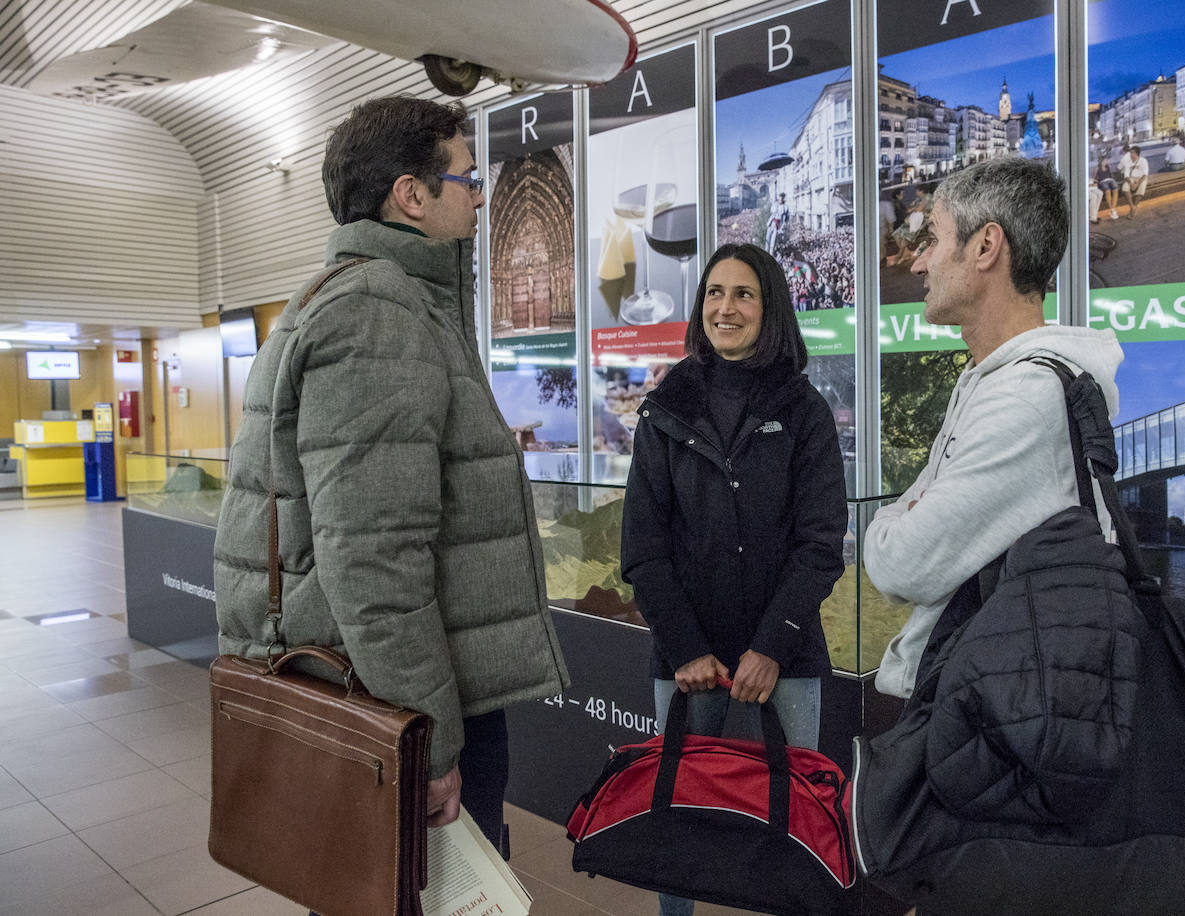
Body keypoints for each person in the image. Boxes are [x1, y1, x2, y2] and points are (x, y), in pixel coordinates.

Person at [213, 96, 569, 854]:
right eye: (469, 179)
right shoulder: (380, 315)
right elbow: (373, 557)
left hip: (386, 686)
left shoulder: (361, 301)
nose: (482, 196)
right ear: (412, 194)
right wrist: (430, 743)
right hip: (401, 705)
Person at [621, 242, 847, 916]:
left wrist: (771, 646)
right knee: (679, 823)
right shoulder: (665, 411)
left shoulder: (805, 412)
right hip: (688, 659)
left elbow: (819, 545)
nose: (726, 307)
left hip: (787, 657)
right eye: (715, 293)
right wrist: (686, 646)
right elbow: (643, 549)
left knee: (790, 824)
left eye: (743, 294)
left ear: (769, 307)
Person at [865, 157, 1123, 699]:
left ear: (986, 247)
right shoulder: (997, 381)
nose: (918, 264)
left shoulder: (1023, 400)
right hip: (986, 696)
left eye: (932, 240)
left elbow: (902, 566)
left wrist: (891, 522)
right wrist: (910, 513)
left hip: (990, 718)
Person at [1121, 145, 1149, 217]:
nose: (1130, 154)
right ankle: (1133, 207)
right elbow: (1126, 175)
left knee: (1141, 189)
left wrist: (1137, 184)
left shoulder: (1143, 161)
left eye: (1132, 153)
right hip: (1131, 179)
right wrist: (1130, 183)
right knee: (1124, 188)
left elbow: (1145, 174)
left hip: (1141, 178)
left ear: (1137, 154)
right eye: (1130, 152)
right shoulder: (1128, 162)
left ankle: (1134, 207)